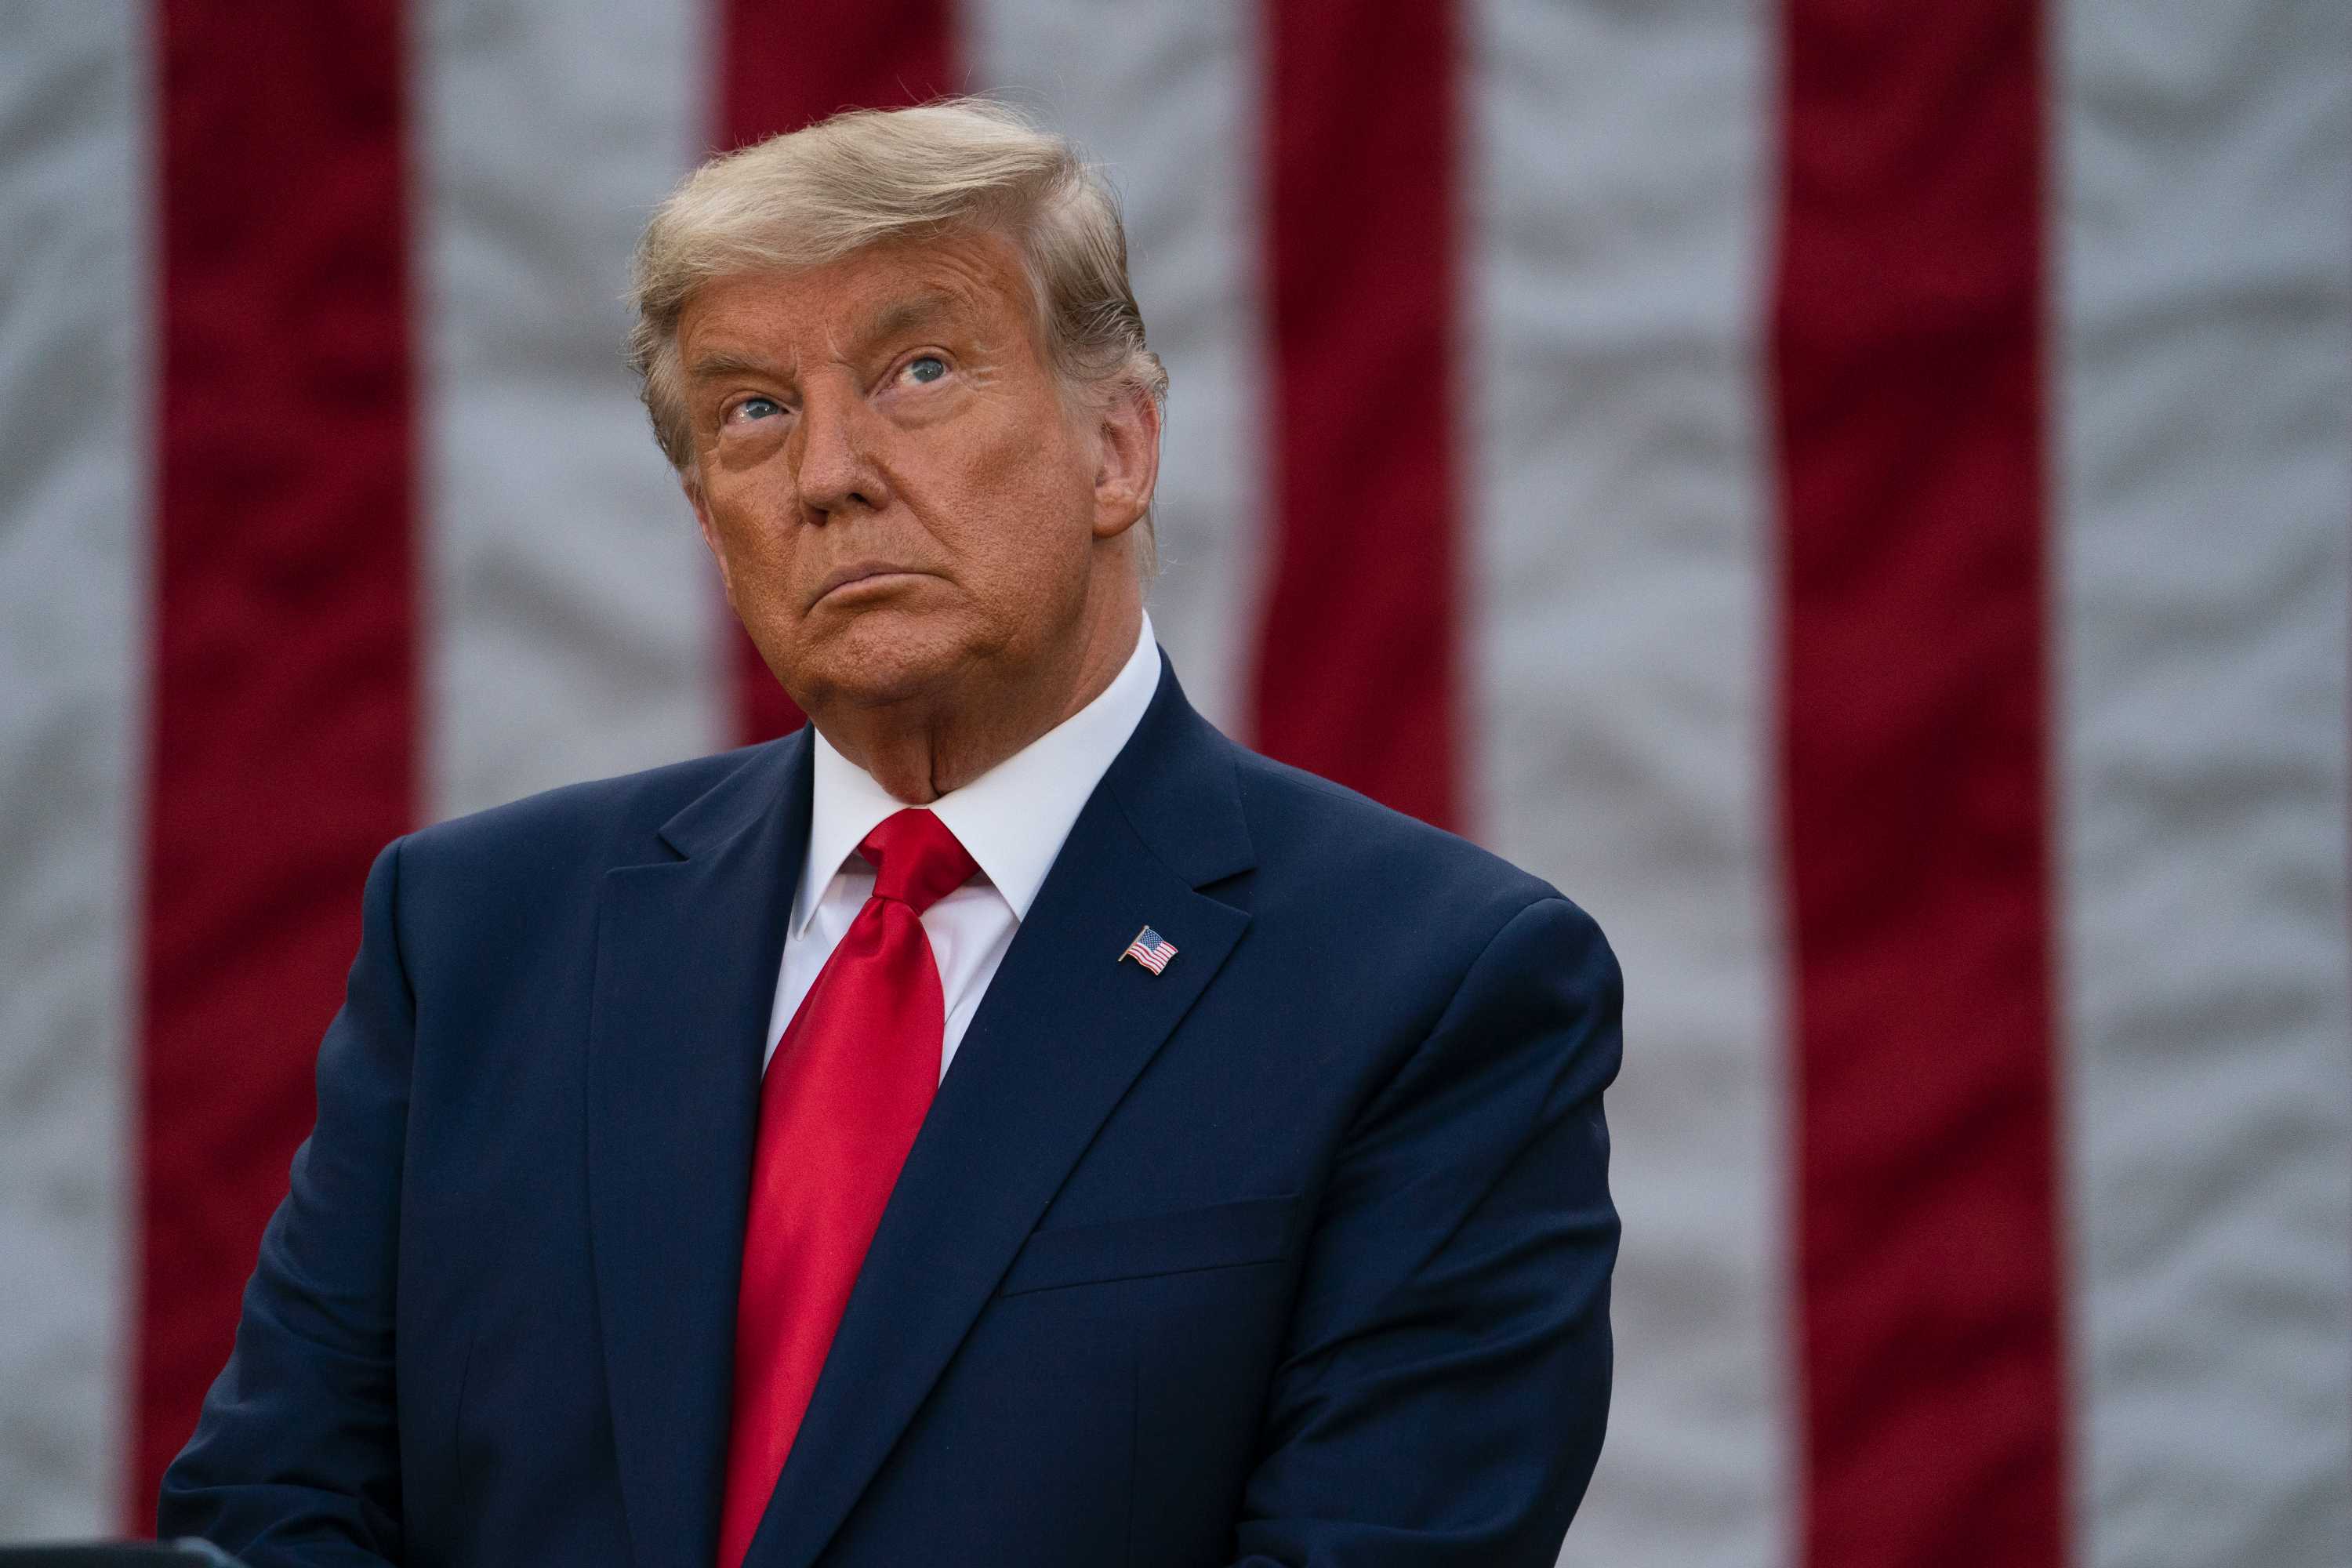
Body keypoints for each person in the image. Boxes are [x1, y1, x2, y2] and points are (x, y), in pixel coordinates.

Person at [158, 99, 1623, 1568]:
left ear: (1117, 448)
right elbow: (276, 1509)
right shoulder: (474, 933)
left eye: (919, 370)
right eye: (753, 409)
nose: (828, 472)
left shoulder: (1435, 987)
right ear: (707, 513)